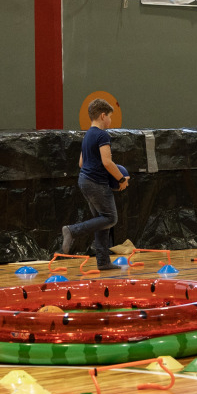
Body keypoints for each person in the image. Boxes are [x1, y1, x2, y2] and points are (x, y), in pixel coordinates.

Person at [59, 98, 130, 272]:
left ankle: (103, 262)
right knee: (110, 218)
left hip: (84, 181)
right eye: (110, 117)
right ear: (103, 115)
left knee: (102, 222)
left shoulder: (88, 135)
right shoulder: (102, 135)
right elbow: (107, 162)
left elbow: (82, 163)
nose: (110, 121)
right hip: (96, 183)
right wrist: (121, 179)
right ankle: (72, 230)